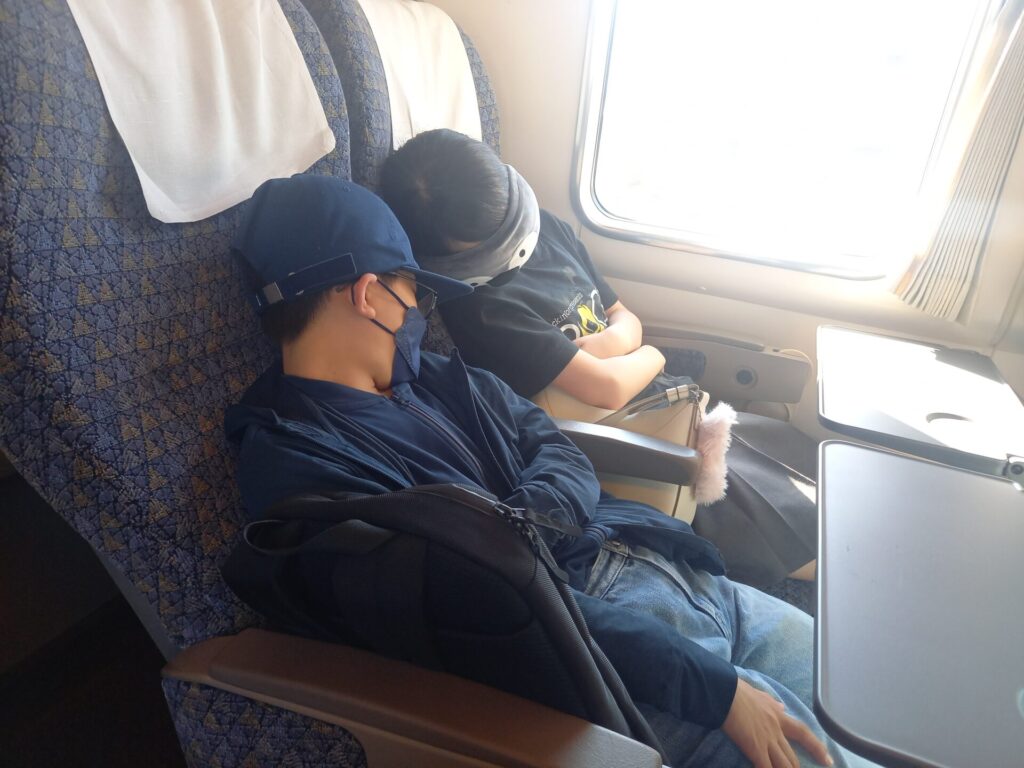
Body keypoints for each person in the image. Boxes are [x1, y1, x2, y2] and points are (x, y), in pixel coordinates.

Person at [225, 174, 874, 768]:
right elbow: (498, 597)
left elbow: (555, 448)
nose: (417, 312)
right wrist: (712, 688)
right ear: (370, 294)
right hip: (613, 653)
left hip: (671, 572)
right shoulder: (301, 463)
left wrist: (530, 522)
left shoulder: (437, 378)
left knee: (869, 691)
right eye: (413, 293)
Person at [378, 129, 817, 588]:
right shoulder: (485, 309)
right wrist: (649, 353)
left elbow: (625, 316)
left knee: (795, 456)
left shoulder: (547, 230)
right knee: (803, 530)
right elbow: (606, 388)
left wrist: (610, 347)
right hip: (628, 441)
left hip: (667, 402)